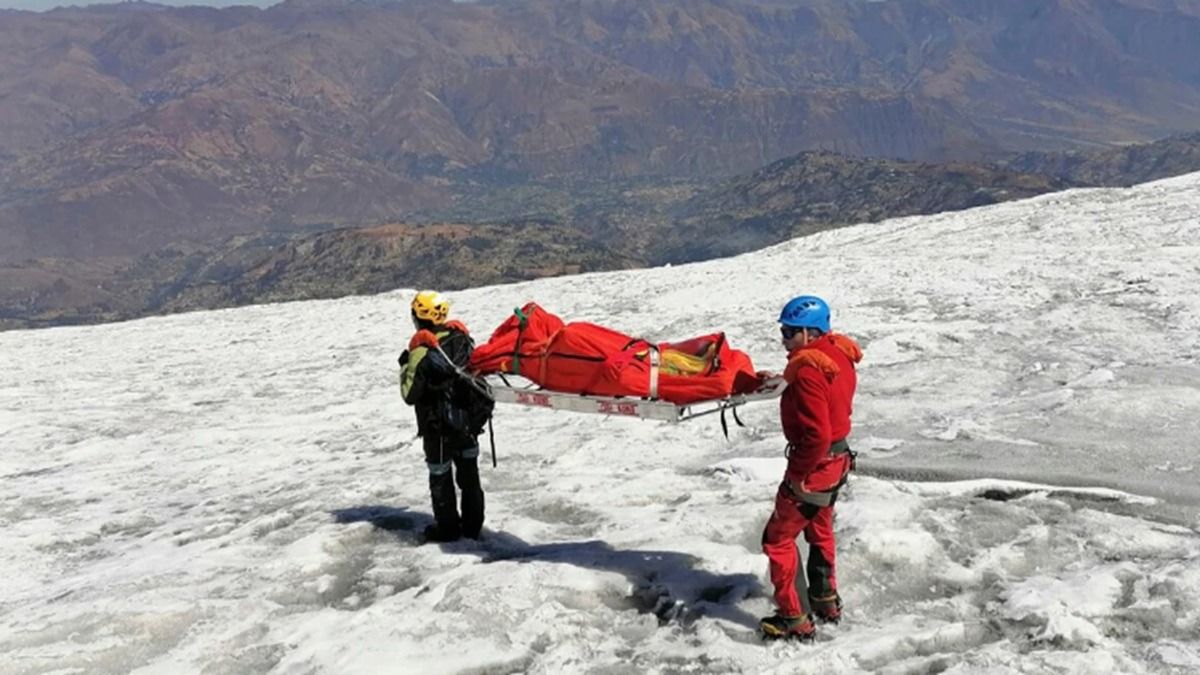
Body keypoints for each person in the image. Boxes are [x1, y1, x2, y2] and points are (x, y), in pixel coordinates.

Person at [759, 295, 863, 641]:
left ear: (807, 331)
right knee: (820, 530)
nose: (784, 339)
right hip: (838, 461)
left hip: (816, 467)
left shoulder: (807, 369)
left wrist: (797, 477)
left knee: (778, 538)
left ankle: (794, 618)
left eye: (789, 332)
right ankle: (824, 599)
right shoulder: (838, 353)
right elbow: (826, 391)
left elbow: (816, 434)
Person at [399, 290, 485, 543]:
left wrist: (405, 364)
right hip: (468, 423)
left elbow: (409, 394)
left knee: (441, 476)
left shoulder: (421, 350)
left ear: (418, 316)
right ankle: (472, 527)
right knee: (469, 475)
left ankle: (447, 530)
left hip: (437, 428)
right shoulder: (463, 339)